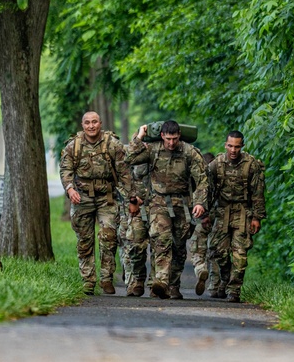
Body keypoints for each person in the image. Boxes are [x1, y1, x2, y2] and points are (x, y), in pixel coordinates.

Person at [126, 120, 208, 300]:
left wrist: (200, 203)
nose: (172, 143)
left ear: (179, 136)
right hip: (158, 202)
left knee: (179, 246)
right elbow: (128, 158)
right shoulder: (152, 149)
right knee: (161, 239)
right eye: (168, 139)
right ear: (162, 136)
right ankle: (161, 281)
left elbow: (201, 179)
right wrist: (139, 137)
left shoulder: (189, 152)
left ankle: (173, 285)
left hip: (182, 203)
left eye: (175, 138)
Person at [60, 111, 132, 295]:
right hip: (82, 196)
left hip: (106, 197)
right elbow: (66, 170)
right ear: (82, 125)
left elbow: (124, 173)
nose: (91, 126)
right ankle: (88, 280)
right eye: (87, 123)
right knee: (85, 240)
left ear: (100, 124)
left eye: (94, 122)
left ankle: (107, 278)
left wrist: (131, 198)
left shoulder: (112, 145)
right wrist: (70, 189)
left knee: (108, 236)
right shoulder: (73, 146)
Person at [207, 130, 266, 303]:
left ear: (242, 146)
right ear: (225, 145)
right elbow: (207, 190)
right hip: (222, 211)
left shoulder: (251, 165)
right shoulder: (216, 164)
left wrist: (257, 217)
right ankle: (225, 278)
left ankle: (234, 290)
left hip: (242, 212)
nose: (233, 150)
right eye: (230, 146)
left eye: (237, 146)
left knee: (240, 255)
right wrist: (204, 213)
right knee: (219, 252)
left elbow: (258, 192)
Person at [119, 162, 151, 296]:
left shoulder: (161, 151)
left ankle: (153, 283)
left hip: (156, 204)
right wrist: (132, 199)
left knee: (160, 245)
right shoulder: (128, 154)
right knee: (131, 245)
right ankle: (133, 281)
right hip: (131, 207)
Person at [190, 151, 215, 296]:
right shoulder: (219, 174)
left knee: (197, 249)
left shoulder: (197, 178)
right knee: (216, 252)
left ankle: (200, 269)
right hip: (218, 218)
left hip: (200, 219)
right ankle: (215, 285)